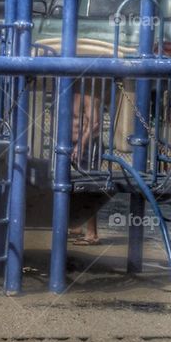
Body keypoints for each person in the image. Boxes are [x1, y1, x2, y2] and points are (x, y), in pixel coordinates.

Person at [69, 90, 101, 244]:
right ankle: (76, 225)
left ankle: (92, 234)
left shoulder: (88, 91)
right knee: (71, 186)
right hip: (68, 144)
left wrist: (81, 144)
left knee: (88, 187)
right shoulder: (65, 90)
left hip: (87, 145)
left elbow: (95, 123)